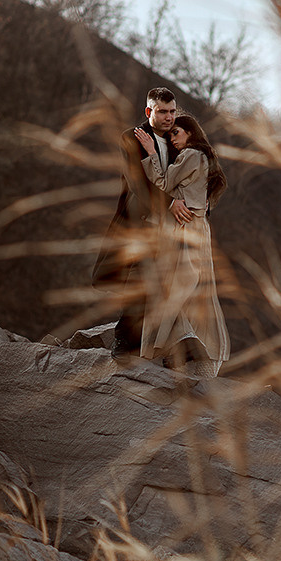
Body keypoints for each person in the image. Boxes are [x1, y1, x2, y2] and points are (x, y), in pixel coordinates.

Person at [92, 87, 192, 359]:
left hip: (171, 226)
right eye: (162, 112)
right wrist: (171, 202)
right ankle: (125, 343)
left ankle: (174, 345)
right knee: (139, 278)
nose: (169, 117)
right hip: (138, 220)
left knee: (170, 281)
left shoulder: (179, 138)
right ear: (149, 111)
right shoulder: (130, 138)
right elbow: (138, 182)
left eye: (173, 111)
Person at [133, 112, 230, 378]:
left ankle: (182, 345)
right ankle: (183, 345)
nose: (173, 138)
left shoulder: (192, 156)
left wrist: (151, 151)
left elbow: (162, 183)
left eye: (177, 132)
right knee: (188, 287)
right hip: (196, 229)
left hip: (186, 230)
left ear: (191, 132)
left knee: (177, 285)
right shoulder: (202, 159)